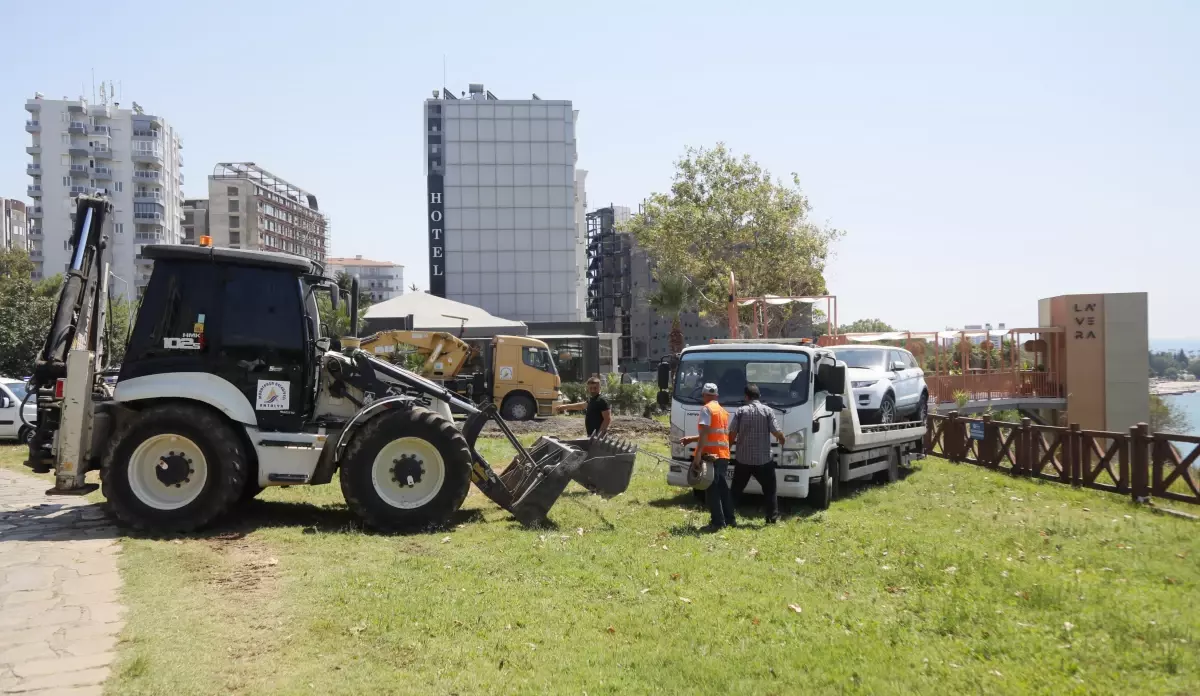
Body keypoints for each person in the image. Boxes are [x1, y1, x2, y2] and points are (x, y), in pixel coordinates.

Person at [679, 383, 734, 531]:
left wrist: (697, 456)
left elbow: (705, 434)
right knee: (723, 488)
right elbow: (714, 434)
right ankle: (730, 519)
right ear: (716, 396)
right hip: (723, 454)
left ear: (703, 395)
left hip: (711, 456)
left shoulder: (706, 409)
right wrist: (691, 439)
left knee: (712, 489)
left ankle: (717, 523)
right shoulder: (722, 411)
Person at [728, 384, 786, 524]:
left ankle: (727, 517)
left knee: (736, 490)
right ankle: (771, 519)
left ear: (746, 396)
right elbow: (776, 431)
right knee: (770, 490)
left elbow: (732, 435)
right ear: (759, 396)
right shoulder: (767, 411)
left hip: (743, 459)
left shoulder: (740, 411)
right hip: (763, 460)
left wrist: (727, 450)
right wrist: (782, 439)